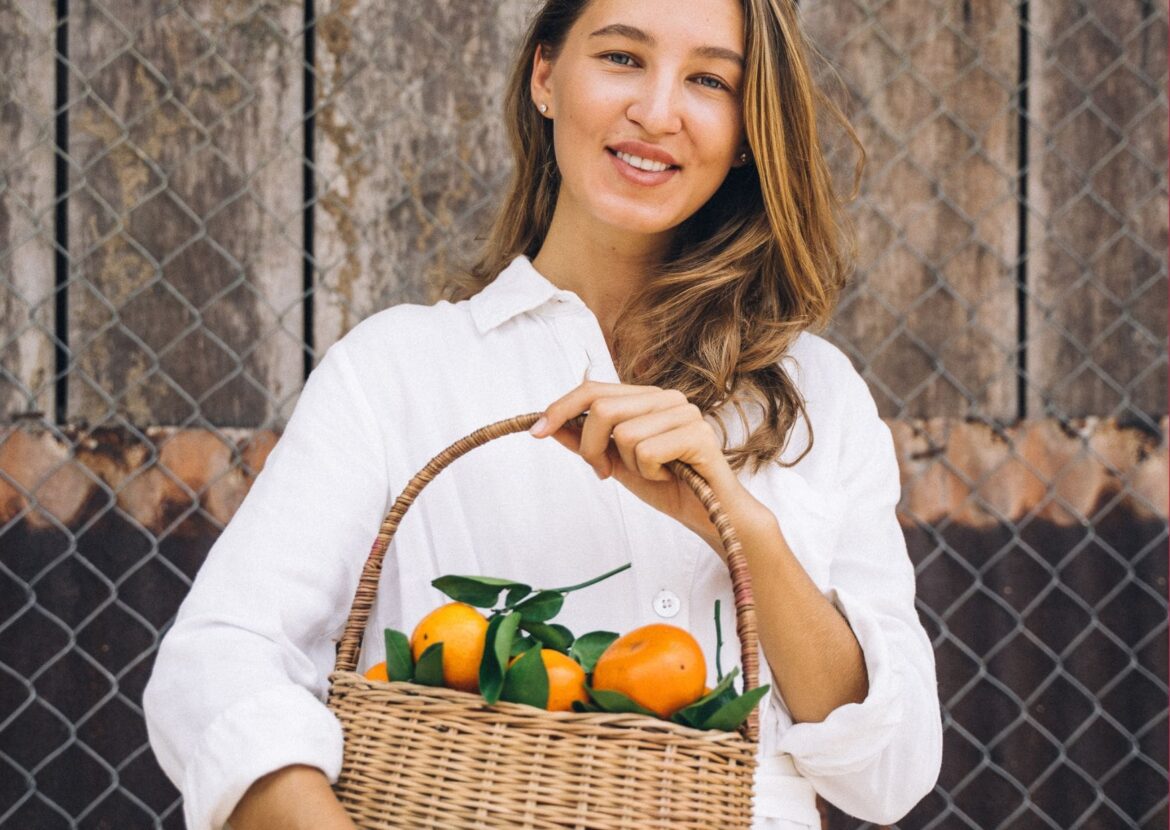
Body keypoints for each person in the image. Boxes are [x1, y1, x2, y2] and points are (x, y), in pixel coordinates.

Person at [143, 0, 943, 827]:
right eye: (623, 58)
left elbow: (890, 771)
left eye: (709, 79)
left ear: (747, 129)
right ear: (546, 77)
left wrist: (744, 529)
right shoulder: (396, 373)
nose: (658, 111)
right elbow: (220, 662)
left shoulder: (818, 399)